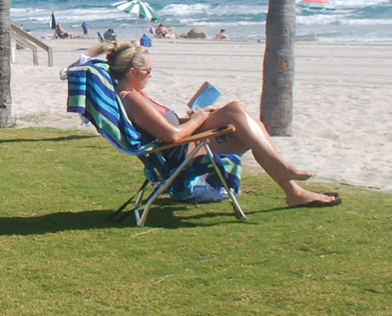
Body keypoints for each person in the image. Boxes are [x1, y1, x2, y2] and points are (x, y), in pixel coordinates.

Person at [97, 42, 337, 208]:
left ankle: (292, 190)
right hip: (180, 155)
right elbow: (171, 135)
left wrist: (193, 117)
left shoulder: (133, 95)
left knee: (245, 121)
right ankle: (289, 183)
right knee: (236, 112)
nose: (151, 75)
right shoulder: (132, 98)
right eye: (148, 71)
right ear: (132, 72)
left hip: (183, 146)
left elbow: (161, 127)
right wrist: (197, 119)